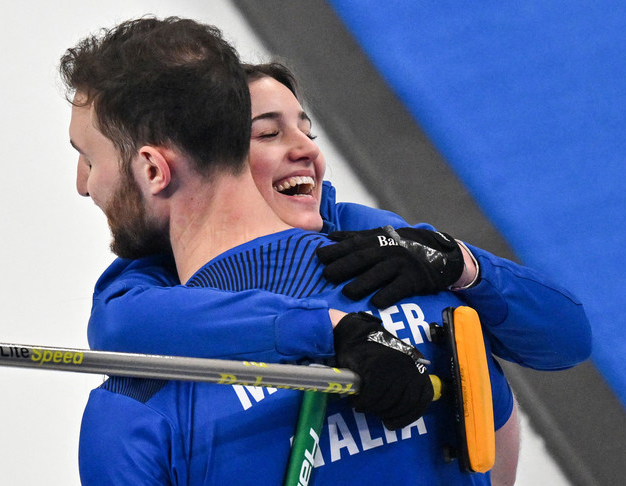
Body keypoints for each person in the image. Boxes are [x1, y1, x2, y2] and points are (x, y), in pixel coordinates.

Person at [63, 17, 519, 485]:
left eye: (90, 158)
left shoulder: (131, 409)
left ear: (154, 170)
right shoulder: (429, 300)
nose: (83, 184)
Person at [85, 61, 591, 371]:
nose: (307, 149)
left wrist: (463, 266)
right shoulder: (164, 268)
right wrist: (329, 329)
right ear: (213, 162)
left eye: (307, 131)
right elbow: (117, 327)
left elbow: (567, 340)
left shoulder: (355, 229)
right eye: (268, 134)